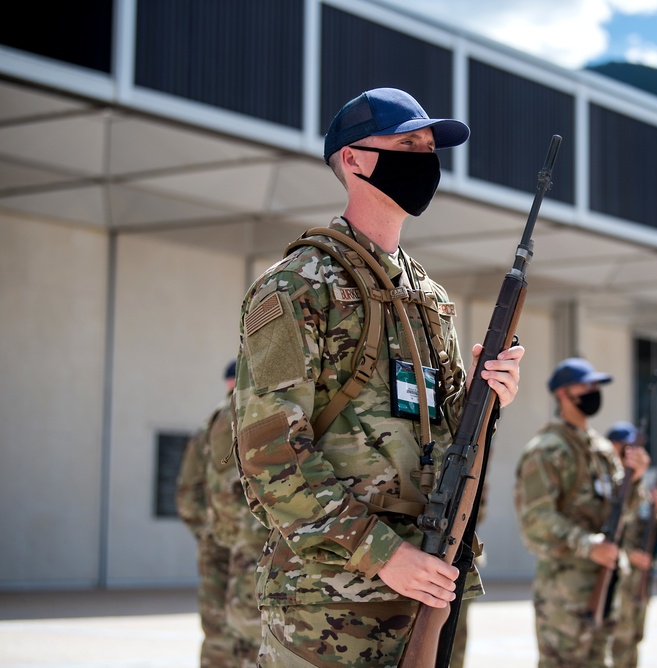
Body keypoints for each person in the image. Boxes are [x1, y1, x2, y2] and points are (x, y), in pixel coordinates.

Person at [231, 87, 524, 667]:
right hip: (329, 606)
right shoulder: (297, 287)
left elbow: (435, 435)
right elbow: (271, 458)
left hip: (429, 590)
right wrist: (384, 554)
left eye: (428, 146)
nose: (424, 158)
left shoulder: (429, 298)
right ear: (354, 159)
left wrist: (487, 398)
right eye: (407, 143)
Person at [514, 358, 650, 668]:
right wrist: (589, 545)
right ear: (562, 393)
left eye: (596, 386)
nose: (593, 391)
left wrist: (636, 480)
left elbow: (620, 512)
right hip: (565, 593)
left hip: (605, 585)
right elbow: (536, 522)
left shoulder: (602, 450)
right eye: (586, 385)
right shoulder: (548, 449)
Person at [176, 360, 268, 667]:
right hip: (257, 546)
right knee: (257, 634)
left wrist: (211, 533)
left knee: (218, 636)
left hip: (217, 543)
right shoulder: (262, 410)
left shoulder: (209, 423)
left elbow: (188, 496)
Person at [605, 421, 657, 668]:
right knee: (614, 643)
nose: (630, 452)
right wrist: (629, 555)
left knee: (632, 640)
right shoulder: (608, 482)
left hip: (637, 582)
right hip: (615, 578)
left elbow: (642, 531)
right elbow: (605, 530)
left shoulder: (638, 487)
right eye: (625, 446)